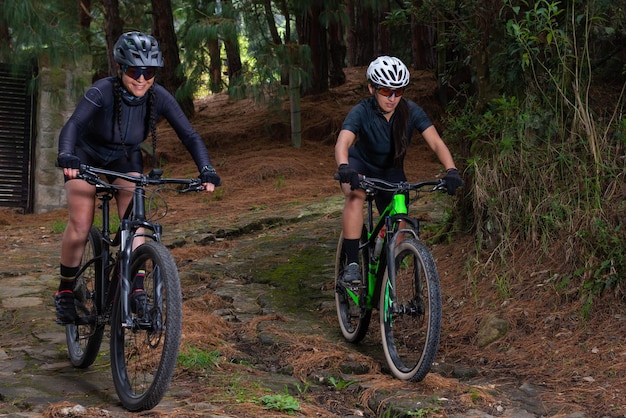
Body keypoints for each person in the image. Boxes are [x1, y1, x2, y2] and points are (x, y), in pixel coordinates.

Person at [54, 31, 221, 324]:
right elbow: (73, 125)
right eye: (134, 70)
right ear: (120, 69)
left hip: (124, 157)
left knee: (136, 222)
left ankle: (136, 290)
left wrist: (206, 169)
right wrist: (67, 156)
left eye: (149, 71)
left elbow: (190, 136)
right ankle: (66, 291)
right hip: (85, 156)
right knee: (81, 223)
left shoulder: (159, 97)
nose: (142, 78)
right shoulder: (101, 92)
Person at [335, 56, 463, 285]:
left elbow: (435, 142)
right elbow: (343, 141)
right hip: (360, 166)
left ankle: (382, 271)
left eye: (398, 91)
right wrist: (344, 167)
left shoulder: (411, 110)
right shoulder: (362, 111)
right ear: (372, 88)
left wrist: (451, 170)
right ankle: (353, 264)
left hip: (391, 171)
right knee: (355, 197)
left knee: (400, 219)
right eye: (385, 91)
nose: (392, 98)